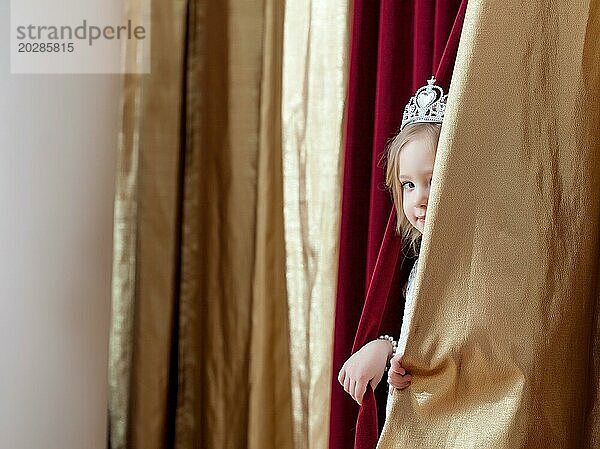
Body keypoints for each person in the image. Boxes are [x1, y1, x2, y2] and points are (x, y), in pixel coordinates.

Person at [337, 77, 446, 406]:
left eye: (432, 179)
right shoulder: (418, 260)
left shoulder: (478, 261)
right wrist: (387, 349)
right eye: (408, 185)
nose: (419, 199)